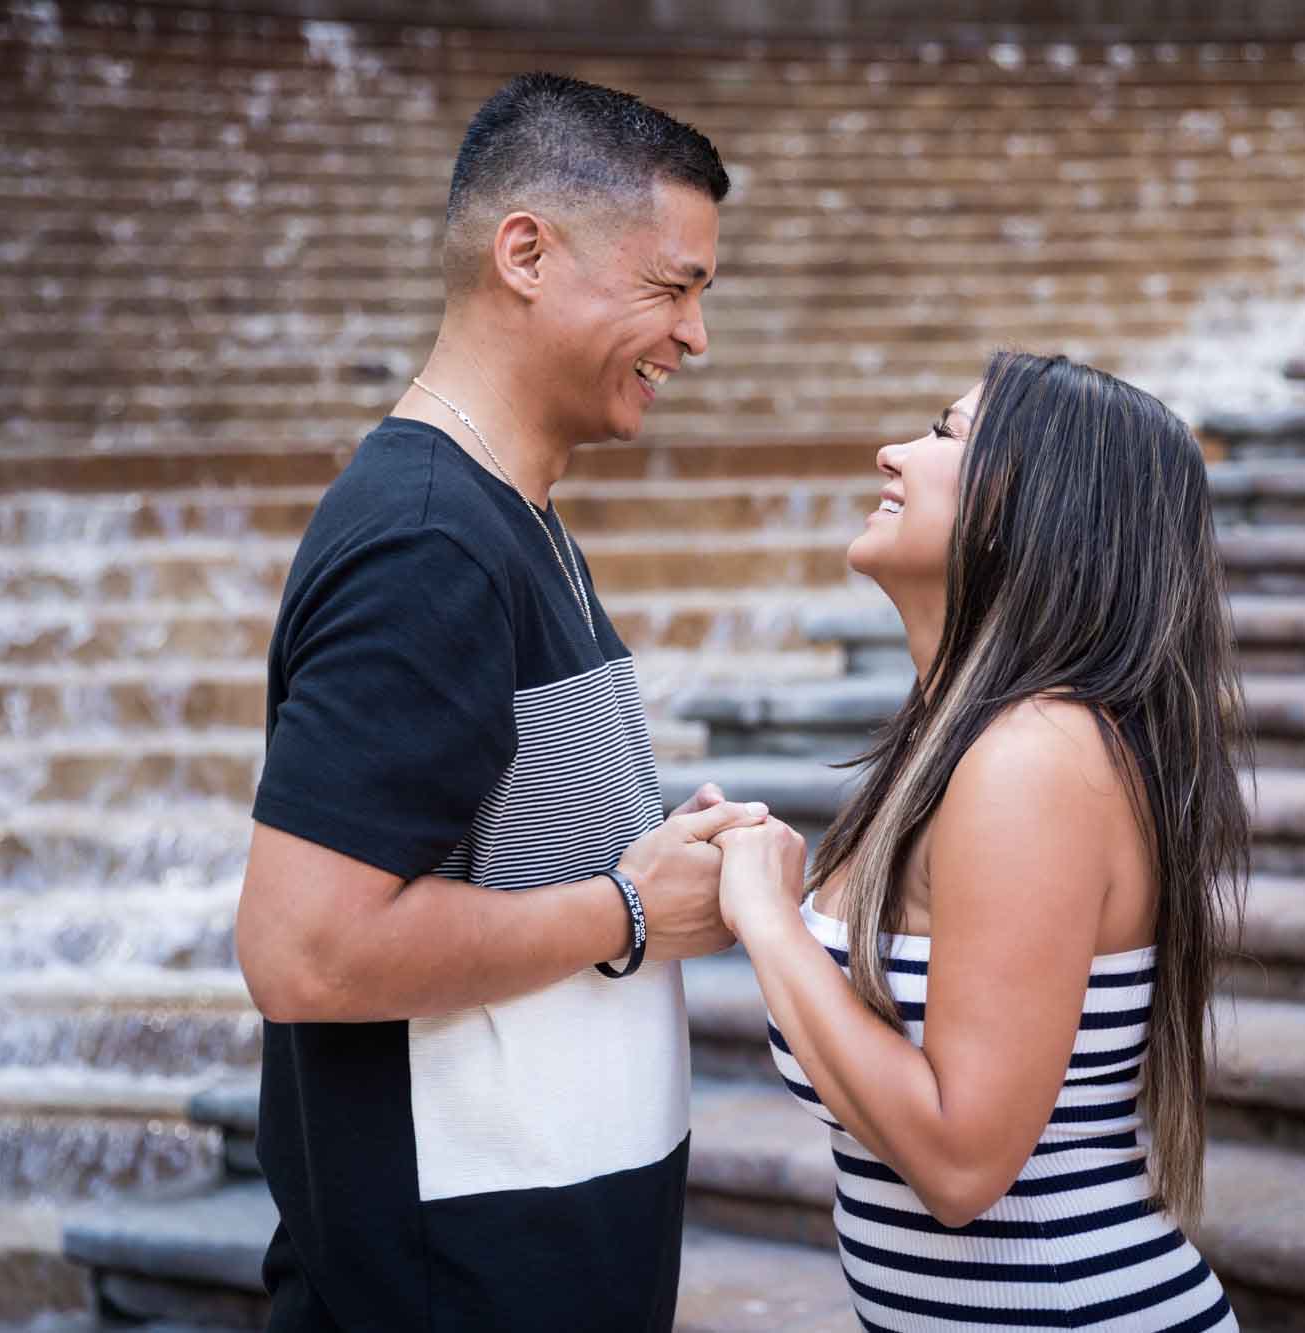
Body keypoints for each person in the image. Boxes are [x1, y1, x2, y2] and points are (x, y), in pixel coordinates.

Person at [233, 74, 762, 1331]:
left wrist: (647, 862)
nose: (695, 336)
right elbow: (304, 950)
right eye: (672, 287)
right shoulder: (431, 544)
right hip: (444, 1286)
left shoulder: (508, 517)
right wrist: (630, 908)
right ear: (524, 254)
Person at [714, 352, 1252, 1330]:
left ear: (1029, 505)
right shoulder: (954, 742)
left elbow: (961, 1162)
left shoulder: (1031, 756)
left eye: (943, 433)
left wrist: (765, 919)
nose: (890, 453)